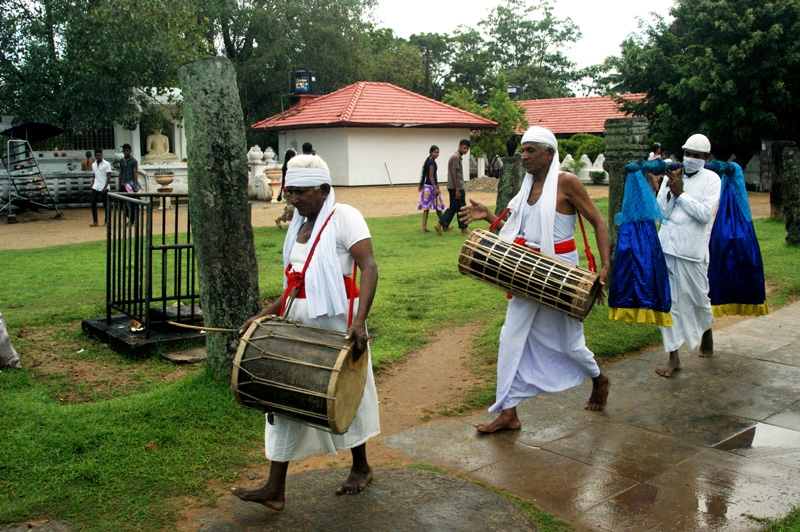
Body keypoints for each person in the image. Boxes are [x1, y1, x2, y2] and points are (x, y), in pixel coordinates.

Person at [233, 154, 380, 510]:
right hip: (296, 320)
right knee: (282, 396)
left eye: (301, 192)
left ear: (324, 189)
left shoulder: (345, 217)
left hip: (336, 323)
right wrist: (262, 316)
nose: (294, 199)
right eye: (290, 193)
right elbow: (293, 287)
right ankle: (275, 489)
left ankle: (360, 467)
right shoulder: (296, 226)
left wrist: (359, 321)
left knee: (347, 393)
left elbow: (369, 266)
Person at [458, 126, 611, 433]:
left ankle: (599, 379)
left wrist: (604, 267)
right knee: (510, 336)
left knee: (569, 344)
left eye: (531, 150)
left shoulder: (567, 182)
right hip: (526, 271)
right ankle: (508, 413)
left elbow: (598, 221)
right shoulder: (526, 186)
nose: (524, 156)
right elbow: (517, 229)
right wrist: (489, 215)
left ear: (549, 153)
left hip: (562, 272)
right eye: (523, 150)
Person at [655, 134, 721, 377]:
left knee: (698, 299)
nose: (690, 159)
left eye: (696, 155)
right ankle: (673, 357)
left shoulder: (712, 180)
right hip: (667, 247)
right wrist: (671, 191)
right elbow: (662, 212)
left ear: (705, 158)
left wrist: (681, 193)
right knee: (667, 304)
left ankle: (707, 330)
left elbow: (704, 214)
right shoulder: (672, 176)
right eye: (687, 153)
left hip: (692, 252)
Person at [435, 139, 470, 235]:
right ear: (459, 146)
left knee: (453, 207)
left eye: (467, 149)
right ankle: (463, 229)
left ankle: (442, 224)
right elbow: (453, 173)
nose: (466, 150)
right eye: (464, 148)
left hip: (452, 186)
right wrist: (457, 189)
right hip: (456, 187)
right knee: (462, 207)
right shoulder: (456, 158)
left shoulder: (455, 157)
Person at [417, 145, 445, 233]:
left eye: (438, 152)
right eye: (435, 152)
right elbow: (431, 175)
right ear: (430, 152)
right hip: (432, 187)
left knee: (427, 208)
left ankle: (424, 227)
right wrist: (435, 187)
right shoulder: (432, 162)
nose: (437, 154)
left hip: (427, 187)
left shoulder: (428, 161)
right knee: (438, 207)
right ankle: (444, 225)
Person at [274, 149, 297, 228]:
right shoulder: (290, 167)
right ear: (291, 156)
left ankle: (279, 219)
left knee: (291, 206)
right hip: (289, 190)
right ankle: (292, 224)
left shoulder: (285, 166)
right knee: (291, 207)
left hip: (287, 189)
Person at [89, 149, 111, 227]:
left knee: (106, 204)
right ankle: (95, 221)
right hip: (96, 186)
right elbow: (94, 176)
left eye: (100, 155)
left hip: (104, 186)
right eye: (97, 155)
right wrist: (92, 187)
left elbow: (109, 176)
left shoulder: (107, 164)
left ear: (102, 155)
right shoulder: (93, 164)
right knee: (93, 202)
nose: (99, 156)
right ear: (95, 156)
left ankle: (107, 221)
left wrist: (105, 187)